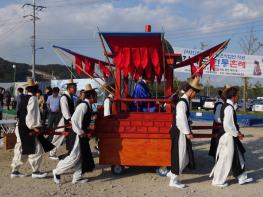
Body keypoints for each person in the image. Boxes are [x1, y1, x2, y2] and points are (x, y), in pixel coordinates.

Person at [210, 86, 253, 187]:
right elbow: (227, 125)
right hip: (227, 136)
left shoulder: (228, 106)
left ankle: (242, 177)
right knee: (225, 159)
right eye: (238, 95)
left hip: (229, 135)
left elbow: (230, 124)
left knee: (238, 156)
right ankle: (217, 181)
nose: (238, 97)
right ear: (234, 97)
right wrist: (237, 134)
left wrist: (237, 133)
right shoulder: (228, 107)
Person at [52, 84, 96, 184]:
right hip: (77, 134)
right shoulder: (83, 106)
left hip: (81, 133)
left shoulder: (88, 105)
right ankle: (57, 171)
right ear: (91, 96)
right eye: (96, 95)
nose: (97, 97)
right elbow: (74, 120)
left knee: (82, 156)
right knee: (74, 157)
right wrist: (81, 132)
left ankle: (77, 177)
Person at [10, 78, 54, 178]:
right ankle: (36, 172)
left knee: (22, 148)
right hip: (28, 128)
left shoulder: (23, 98)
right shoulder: (33, 99)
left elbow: (22, 114)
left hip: (20, 126)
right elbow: (31, 116)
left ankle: (15, 170)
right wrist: (35, 127)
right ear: (35, 89)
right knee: (35, 148)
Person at [168, 77, 203, 188]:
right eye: (195, 93)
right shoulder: (182, 102)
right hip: (180, 131)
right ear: (191, 91)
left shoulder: (184, 101)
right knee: (180, 155)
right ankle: (173, 180)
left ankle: (172, 173)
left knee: (184, 156)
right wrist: (188, 132)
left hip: (180, 130)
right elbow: (181, 120)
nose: (194, 95)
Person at [49, 79, 77, 160]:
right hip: (63, 119)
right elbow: (65, 110)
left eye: (75, 87)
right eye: (73, 87)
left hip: (67, 119)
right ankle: (51, 152)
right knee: (58, 136)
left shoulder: (70, 97)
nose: (74, 89)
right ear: (68, 88)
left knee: (61, 136)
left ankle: (70, 151)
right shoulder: (64, 97)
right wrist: (69, 120)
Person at [208, 88, 227, 158]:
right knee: (217, 142)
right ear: (223, 95)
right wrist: (225, 122)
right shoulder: (220, 104)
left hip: (219, 126)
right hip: (219, 127)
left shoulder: (222, 103)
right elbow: (217, 118)